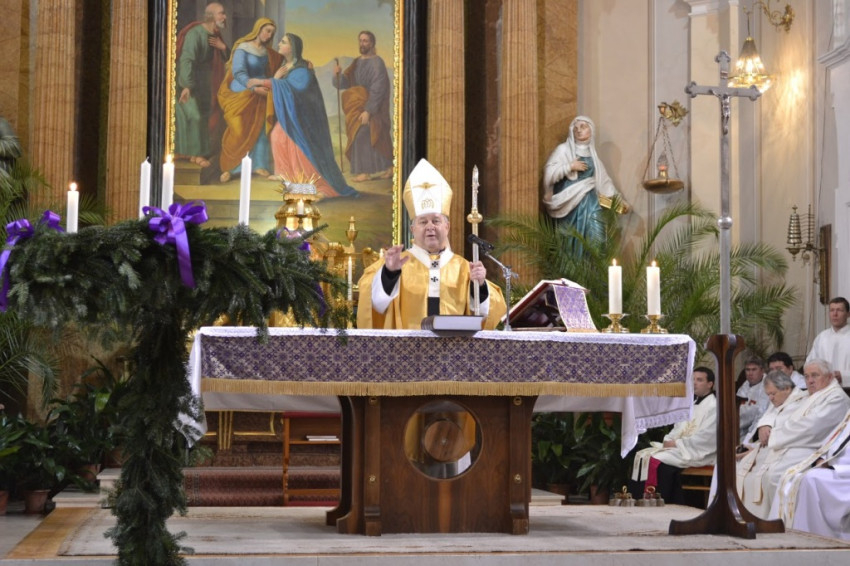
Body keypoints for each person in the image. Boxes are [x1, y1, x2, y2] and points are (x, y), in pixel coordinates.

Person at [356, 158, 506, 330]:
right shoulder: (395, 265)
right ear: (412, 229)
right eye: (423, 222)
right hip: (407, 345)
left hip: (453, 345)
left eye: (436, 220)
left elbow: (490, 314)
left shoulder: (464, 268)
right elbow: (374, 304)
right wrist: (389, 274)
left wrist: (479, 285)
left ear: (447, 227)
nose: (430, 227)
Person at [734, 359, 850, 519]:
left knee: (773, 477)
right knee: (746, 472)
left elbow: (810, 428)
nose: (809, 380)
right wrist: (765, 424)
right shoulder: (809, 394)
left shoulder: (836, 398)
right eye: (806, 376)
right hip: (788, 444)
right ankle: (751, 519)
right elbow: (777, 408)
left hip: (812, 448)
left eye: (815, 375)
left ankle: (779, 523)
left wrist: (774, 435)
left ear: (830, 377)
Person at [255, 33, 357, 199]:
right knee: (277, 135)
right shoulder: (285, 65)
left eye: (283, 42)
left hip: (304, 118)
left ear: (292, 48)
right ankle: (286, 174)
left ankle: (321, 187)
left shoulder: (302, 69)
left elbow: (298, 88)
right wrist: (274, 80)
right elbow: (283, 88)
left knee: (299, 149)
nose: (279, 44)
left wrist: (275, 80)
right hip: (292, 115)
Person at [542, 116, 629, 255]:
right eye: (575, 128)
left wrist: (618, 201)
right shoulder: (563, 150)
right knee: (570, 239)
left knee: (597, 236)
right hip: (569, 204)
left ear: (591, 129)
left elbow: (604, 182)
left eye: (583, 126)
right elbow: (549, 173)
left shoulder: (593, 156)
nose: (578, 130)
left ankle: (592, 267)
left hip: (591, 202)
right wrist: (569, 166)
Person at [630, 366, 717, 505]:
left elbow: (707, 438)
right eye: (693, 379)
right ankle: (638, 500)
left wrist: (677, 444)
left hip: (697, 451)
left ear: (710, 384)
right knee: (642, 456)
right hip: (681, 448)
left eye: (699, 380)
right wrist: (669, 440)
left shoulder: (714, 407)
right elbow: (679, 427)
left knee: (656, 460)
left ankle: (659, 501)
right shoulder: (692, 404)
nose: (694, 383)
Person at [216, 18, 281, 183]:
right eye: (267, 31)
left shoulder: (268, 53)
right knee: (238, 129)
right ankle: (230, 168)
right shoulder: (243, 48)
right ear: (258, 29)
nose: (269, 35)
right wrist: (253, 88)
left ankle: (259, 164)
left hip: (261, 90)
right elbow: (238, 72)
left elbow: (282, 65)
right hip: (242, 89)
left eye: (272, 33)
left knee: (260, 127)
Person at [771, 408, 850, 540]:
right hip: (837, 467)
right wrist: (823, 457)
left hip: (845, 473)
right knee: (789, 478)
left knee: (811, 479)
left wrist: (834, 467)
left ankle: (815, 538)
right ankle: (785, 534)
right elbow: (837, 438)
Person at [332, 31, 393, 182]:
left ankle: (366, 172)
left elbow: (379, 88)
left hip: (374, 107)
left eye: (365, 41)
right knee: (362, 134)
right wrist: (337, 75)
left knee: (366, 134)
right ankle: (388, 168)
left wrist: (368, 111)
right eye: (360, 40)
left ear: (372, 43)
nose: (362, 44)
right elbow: (345, 83)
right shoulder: (357, 62)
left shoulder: (377, 63)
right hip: (358, 106)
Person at [174, 2, 229, 170]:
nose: (224, 17)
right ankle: (194, 154)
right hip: (188, 82)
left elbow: (226, 58)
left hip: (205, 82)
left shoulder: (215, 35)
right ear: (211, 16)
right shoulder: (195, 34)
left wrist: (223, 48)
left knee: (205, 117)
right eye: (221, 13)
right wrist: (187, 86)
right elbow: (187, 60)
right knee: (195, 116)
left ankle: (198, 153)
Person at [806, 297, 850, 383]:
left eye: (839, 310)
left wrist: (843, 375)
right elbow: (810, 363)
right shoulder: (822, 337)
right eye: (832, 310)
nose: (835, 314)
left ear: (848, 314)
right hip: (825, 387)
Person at [736, 356, 771, 444]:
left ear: (762, 371)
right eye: (747, 370)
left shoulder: (768, 386)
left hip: (757, 431)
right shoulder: (745, 385)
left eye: (754, 369)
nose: (750, 373)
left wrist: (748, 437)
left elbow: (761, 413)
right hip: (739, 428)